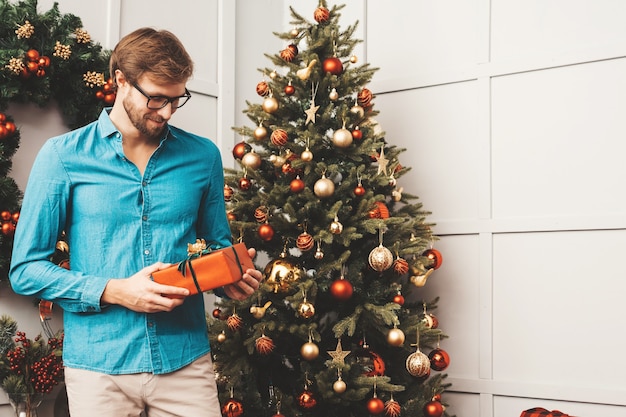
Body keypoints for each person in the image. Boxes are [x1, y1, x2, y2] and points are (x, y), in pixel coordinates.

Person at [9, 27, 263, 417]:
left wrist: (230, 278)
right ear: (120, 81)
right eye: (156, 98)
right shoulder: (62, 156)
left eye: (177, 100)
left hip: (185, 361)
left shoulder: (203, 157)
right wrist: (114, 290)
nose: (166, 112)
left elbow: (214, 244)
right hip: (98, 369)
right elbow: (26, 270)